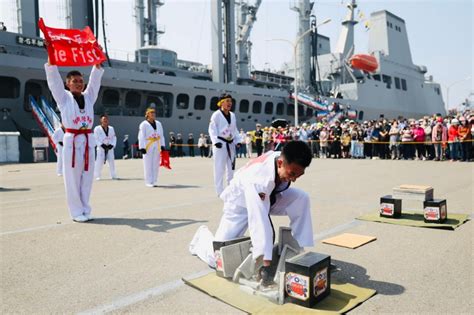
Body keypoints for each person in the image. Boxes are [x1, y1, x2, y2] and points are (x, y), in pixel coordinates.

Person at [189, 141, 314, 286]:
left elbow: (264, 207)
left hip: (270, 195)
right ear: (280, 163)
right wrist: (264, 261)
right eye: (292, 174)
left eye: (299, 175)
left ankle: (299, 248)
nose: (293, 179)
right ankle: (200, 238)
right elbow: (260, 221)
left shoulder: (280, 158)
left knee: (301, 198)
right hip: (239, 204)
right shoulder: (259, 180)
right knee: (217, 258)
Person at [44, 49, 104, 222]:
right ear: (67, 84)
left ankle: (85, 208)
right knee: (72, 178)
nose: (79, 84)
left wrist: (97, 64)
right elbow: (54, 81)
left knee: (87, 178)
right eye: (74, 81)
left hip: (87, 141)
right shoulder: (63, 98)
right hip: (72, 141)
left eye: (80, 81)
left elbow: (95, 82)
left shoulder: (89, 97)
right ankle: (76, 212)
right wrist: (51, 56)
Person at [208, 93, 241, 196]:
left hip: (230, 144)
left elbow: (234, 129)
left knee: (231, 168)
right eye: (227, 101)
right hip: (220, 144)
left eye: (230, 101)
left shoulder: (232, 115)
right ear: (221, 103)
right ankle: (219, 191)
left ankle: (230, 189)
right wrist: (215, 142)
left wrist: (237, 140)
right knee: (219, 168)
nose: (229, 103)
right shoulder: (216, 115)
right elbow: (212, 129)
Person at [138, 108, 166, 187]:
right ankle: (148, 181)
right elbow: (141, 136)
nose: (153, 114)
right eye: (151, 113)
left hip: (157, 144)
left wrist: (163, 145)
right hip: (148, 145)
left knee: (156, 163)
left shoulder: (158, 123)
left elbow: (161, 135)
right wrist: (142, 147)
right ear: (147, 115)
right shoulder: (143, 124)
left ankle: (154, 180)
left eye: (154, 113)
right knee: (147, 163)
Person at [94, 114, 117, 180]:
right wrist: (101, 145)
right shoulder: (97, 129)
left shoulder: (111, 128)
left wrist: (112, 145)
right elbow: (96, 138)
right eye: (104, 119)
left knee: (111, 161)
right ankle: (97, 175)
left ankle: (113, 175)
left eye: (106, 119)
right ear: (101, 120)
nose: (105, 120)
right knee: (99, 162)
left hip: (110, 148)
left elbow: (114, 137)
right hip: (101, 148)